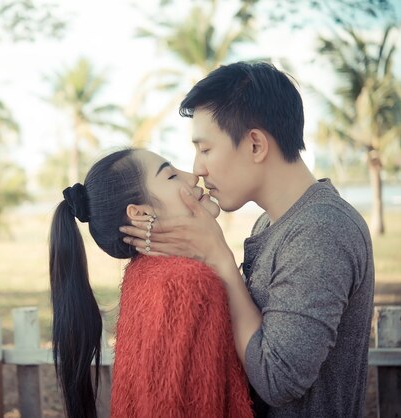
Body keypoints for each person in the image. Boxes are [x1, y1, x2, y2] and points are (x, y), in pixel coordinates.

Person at [120, 62, 375, 417]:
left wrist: (220, 259)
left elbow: (278, 380)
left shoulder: (321, 230)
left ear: (255, 145)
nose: (197, 169)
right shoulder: (268, 224)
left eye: (205, 149)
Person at [49, 148, 254, 418]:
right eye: (171, 176)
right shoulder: (188, 283)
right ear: (141, 213)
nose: (192, 176)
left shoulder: (143, 272)